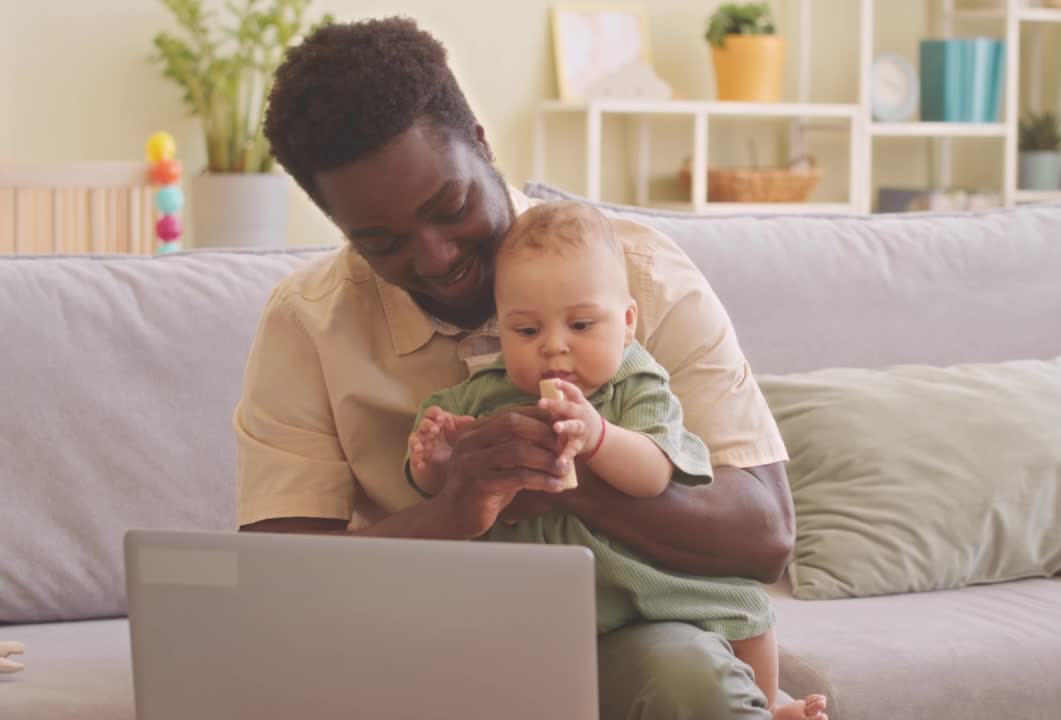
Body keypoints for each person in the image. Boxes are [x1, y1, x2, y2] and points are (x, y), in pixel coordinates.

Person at [237, 16, 803, 720]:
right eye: (382, 242)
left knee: (688, 677)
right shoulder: (307, 323)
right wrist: (454, 509)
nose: (437, 257)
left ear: (481, 141)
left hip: (636, 628)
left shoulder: (637, 277)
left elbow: (765, 535)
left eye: (451, 207)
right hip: (429, 641)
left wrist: (569, 476)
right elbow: (276, 583)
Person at [405, 201, 826, 720]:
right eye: (527, 331)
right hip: (541, 599)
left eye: (581, 325)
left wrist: (598, 435)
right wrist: (436, 458)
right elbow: (438, 491)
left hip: (641, 574)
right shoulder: (482, 397)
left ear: (626, 323)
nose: (554, 348)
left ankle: (764, 707)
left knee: (745, 609)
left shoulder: (637, 383)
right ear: (501, 330)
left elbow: (654, 474)